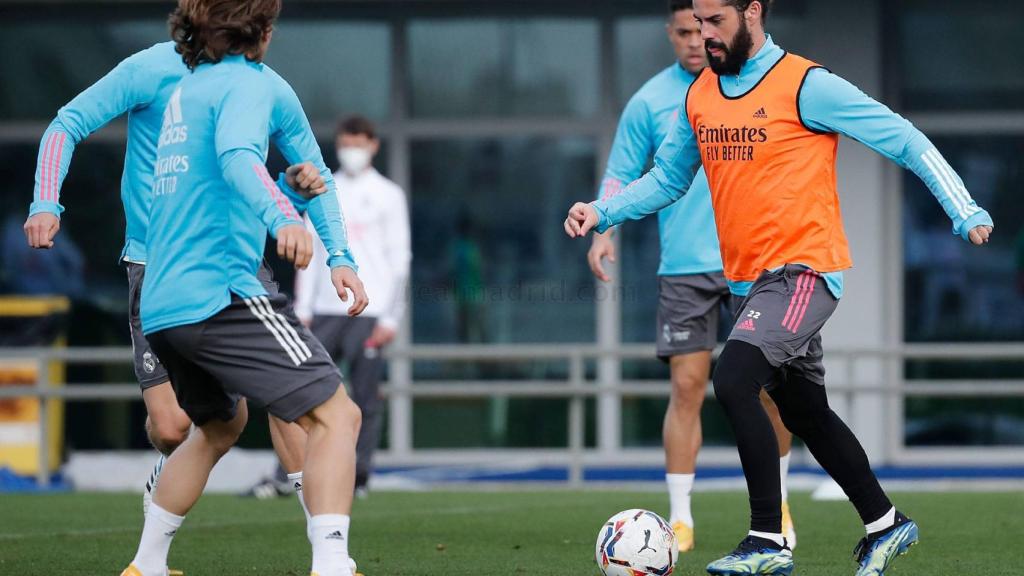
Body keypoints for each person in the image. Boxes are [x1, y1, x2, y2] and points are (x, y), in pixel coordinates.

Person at [565, 0, 993, 574]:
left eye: (716, 22)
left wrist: (963, 209)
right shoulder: (701, 95)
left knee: (734, 378)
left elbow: (902, 137)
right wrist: (603, 212)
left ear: (752, 13)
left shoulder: (805, 84)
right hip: (750, 282)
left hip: (804, 272)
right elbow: (668, 178)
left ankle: (767, 538)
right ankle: (886, 523)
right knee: (805, 410)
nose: (705, 35)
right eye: (698, 23)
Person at [21, 0, 366, 540]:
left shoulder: (265, 86)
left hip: (234, 264)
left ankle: (326, 546)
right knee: (172, 427)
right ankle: (167, 486)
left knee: (294, 400)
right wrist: (46, 201)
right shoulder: (150, 69)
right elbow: (68, 122)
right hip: (155, 265)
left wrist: (339, 256)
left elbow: (314, 170)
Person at [121, 1, 366, 575]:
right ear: (265, 30)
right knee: (339, 416)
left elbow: (225, 184)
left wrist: (293, 196)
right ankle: (333, 565)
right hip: (221, 293)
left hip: (162, 300)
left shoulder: (187, 93)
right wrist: (285, 215)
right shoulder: (252, 84)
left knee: (218, 427)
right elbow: (236, 157)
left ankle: (145, 565)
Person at [587, 0, 795, 552]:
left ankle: (778, 504)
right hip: (684, 265)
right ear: (671, 33)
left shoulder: (756, 84)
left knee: (771, 390)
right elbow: (622, 174)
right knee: (686, 387)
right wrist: (605, 229)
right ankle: (679, 517)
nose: (695, 39)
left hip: (755, 259)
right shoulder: (649, 101)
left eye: (703, 27)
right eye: (684, 30)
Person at [291, 115, 411, 497]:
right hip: (324, 309)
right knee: (302, 391)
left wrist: (392, 317)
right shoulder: (324, 188)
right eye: (346, 144)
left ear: (373, 146)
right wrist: (302, 308)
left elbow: (400, 259)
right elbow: (309, 249)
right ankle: (293, 474)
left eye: (358, 144)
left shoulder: (389, 194)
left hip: (370, 311)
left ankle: (358, 477)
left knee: (365, 396)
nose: (351, 151)